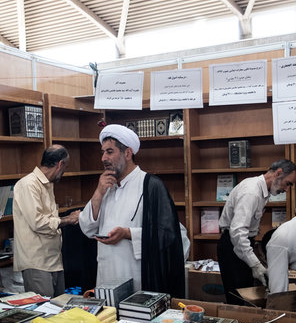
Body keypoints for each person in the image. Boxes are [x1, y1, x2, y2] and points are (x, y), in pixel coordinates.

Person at [79, 124, 185, 297]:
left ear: (127, 153)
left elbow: (167, 234)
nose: (103, 158)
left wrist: (128, 233)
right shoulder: (106, 186)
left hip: (137, 276)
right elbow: (87, 228)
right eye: (103, 152)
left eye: (110, 152)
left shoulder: (151, 185)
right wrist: (98, 192)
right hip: (106, 276)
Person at [217, 159, 296, 306]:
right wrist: (254, 264)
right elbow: (238, 231)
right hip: (233, 246)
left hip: (241, 246)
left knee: (247, 295)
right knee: (239, 299)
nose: (286, 190)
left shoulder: (261, 191)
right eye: (288, 183)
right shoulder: (252, 192)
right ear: (278, 173)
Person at [12, 145, 80, 297]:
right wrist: (68, 220)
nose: (64, 172)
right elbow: (38, 222)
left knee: (59, 313)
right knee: (44, 313)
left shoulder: (47, 185)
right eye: (65, 167)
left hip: (53, 260)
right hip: (37, 262)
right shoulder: (28, 184)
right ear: (60, 164)